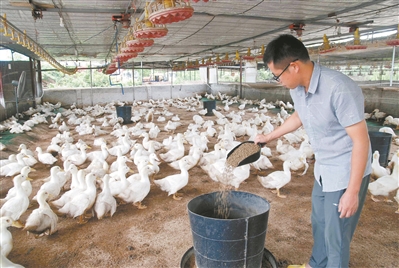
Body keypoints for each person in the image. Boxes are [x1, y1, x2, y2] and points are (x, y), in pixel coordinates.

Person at [254, 34, 372, 268]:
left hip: (344, 172)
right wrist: (268, 136)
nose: (278, 81)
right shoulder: (297, 88)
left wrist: (352, 191)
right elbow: (299, 115)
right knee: (319, 222)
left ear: (294, 66)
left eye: (277, 75)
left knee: (336, 235)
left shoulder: (339, 89)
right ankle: (316, 265)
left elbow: (361, 142)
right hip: (323, 169)